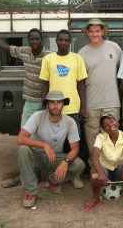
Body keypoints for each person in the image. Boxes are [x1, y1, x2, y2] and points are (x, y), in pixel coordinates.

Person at [0, 18, 52, 188]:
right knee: (25, 138)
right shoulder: (24, 52)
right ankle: (25, 174)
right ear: (29, 40)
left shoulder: (49, 56)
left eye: (37, 38)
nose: (34, 41)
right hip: (30, 102)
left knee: (46, 137)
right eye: (31, 39)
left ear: (41, 40)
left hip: (45, 104)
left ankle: (46, 172)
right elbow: (4, 47)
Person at [16, 90, 86, 208]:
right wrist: (44, 145)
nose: (55, 106)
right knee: (23, 150)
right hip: (36, 156)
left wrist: (65, 162)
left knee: (79, 164)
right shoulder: (37, 116)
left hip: (54, 158)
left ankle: (53, 179)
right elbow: (20, 138)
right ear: (47, 104)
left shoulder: (69, 121)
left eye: (59, 102)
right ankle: (30, 193)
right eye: (52, 102)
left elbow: (75, 149)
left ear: (63, 104)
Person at [39, 29, 88, 188]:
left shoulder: (77, 59)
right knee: (54, 143)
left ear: (70, 41)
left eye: (66, 40)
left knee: (73, 143)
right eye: (60, 40)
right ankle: (54, 173)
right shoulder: (48, 59)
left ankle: (74, 175)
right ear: (56, 41)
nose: (63, 43)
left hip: (72, 107)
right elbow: (44, 83)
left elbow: (81, 84)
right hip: (54, 108)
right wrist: (45, 104)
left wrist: (82, 106)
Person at [78, 18, 122, 159]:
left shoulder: (114, 48)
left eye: (98, 31)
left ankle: (112, 167)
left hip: (111, 102)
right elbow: (81, 82)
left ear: (103, 32)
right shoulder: (82, 53)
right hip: (91, 104)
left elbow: (122, 73)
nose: (95, 34)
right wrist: (83, 106)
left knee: (112, 137)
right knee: (92, 139)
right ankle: (96, 169)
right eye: (91, 32)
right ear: (87, 33)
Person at [83, 114, 123, 211]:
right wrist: (101, 173)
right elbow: (94, 156)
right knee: (94, 171)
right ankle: (96, 198)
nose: (110, 125)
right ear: (104, 129)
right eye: (106, 125)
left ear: (117, 122)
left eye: (111, 121)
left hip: (120, 170)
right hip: (105, 171)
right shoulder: (101, 137)